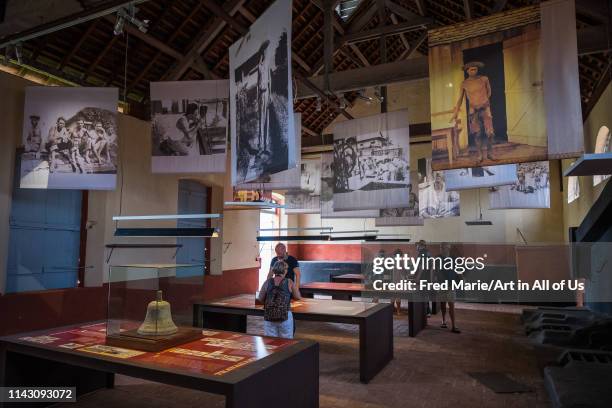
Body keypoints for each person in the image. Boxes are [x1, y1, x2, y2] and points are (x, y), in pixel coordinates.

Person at [450, 61, 496, 163]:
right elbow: (460, 99)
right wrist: (455, 113)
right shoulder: (464, 84)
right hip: (473, 110)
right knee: (477, 133)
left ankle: (490, 153)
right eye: (471, 69)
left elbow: (489, 92)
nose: (474, 71)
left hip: (485, 108)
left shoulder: (484, 79)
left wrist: (484, 101)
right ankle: (479, 154)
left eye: (475, 69)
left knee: (490, 132)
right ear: (467, 71)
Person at [257, 260, 301, 339]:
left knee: (270, 341)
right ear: (284, 270)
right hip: (285, 316)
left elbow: (260, 299)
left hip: (269, 315)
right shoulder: (289, 282)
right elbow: (298, 297)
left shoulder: (267, 282)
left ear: (274, 270)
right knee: (286, 341)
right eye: (286, 269)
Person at [436, 243, 460, 333]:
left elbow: (457, 269)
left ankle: (453, 325)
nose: (442, 249)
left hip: (451, 285)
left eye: (444, 247)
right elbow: (436, 270)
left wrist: (461, 278)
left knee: (451, 305)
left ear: (448, 248)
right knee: (442, 304)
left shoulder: (453, 258)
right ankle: (443, 321)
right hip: (442, 285)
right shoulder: (438, 258)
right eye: (441, 247)